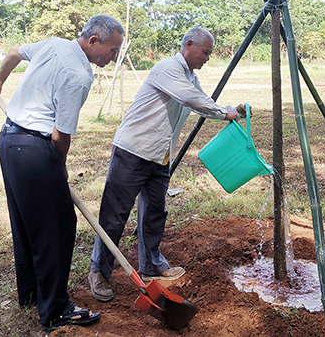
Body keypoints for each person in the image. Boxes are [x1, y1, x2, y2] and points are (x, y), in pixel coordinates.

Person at [0, 14, 124, 332]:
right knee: (57, 226)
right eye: (112, 50)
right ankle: (56, 309)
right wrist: (56, 169)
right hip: (34, 150)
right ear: (93, 42)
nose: (113, 56)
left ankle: (33, 294)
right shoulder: (79, 75)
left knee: (26, 222)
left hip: (8, 140)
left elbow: (13, 54)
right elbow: (61, 136)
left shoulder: (53, 44)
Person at [88, 27, 245, 302]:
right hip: (133, 150)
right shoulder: (168, 68)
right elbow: (189, 98)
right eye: (205, 52)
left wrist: (230, 111)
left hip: (160, 155)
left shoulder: (189, 76)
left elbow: (199, 103)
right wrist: (224, 112)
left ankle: (150, 265)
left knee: (154, 212)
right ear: (188, 44)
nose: (208, 58)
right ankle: (99, 272)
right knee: (114, 215)